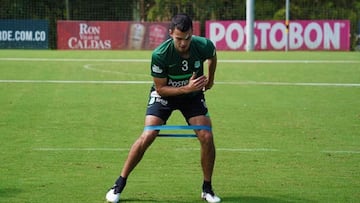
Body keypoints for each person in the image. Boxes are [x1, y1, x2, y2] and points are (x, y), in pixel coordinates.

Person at [105, 13, 221, 203]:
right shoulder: (160, 54)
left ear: (193, 33)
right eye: (178, 39)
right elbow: (161, 88)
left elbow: (213, 56)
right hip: (166, 95)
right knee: (149, 133)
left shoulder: (203, 45)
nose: (183, 43)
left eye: (187, 38)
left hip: (192, 96)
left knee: (206, 135)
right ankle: (119, 184)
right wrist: (187, 87)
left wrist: (211, 80)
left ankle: (207, 189)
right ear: (170, 34)